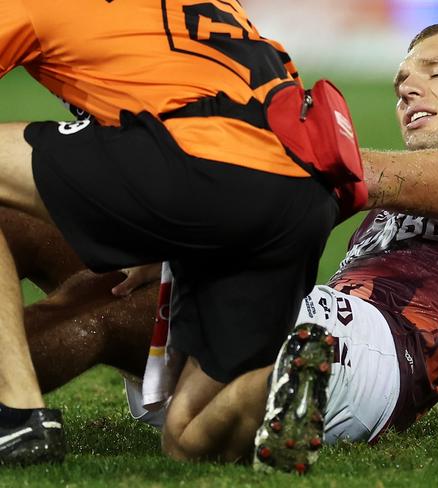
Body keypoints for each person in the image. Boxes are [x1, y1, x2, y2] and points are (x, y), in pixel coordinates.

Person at [12, 23, 438, 473]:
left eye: (435, 71)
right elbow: (278, 222)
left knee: (107, 308)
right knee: (31, 224)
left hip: (381, 357)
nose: (406, 88)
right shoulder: (377, 203)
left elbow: (357, 172)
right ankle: (269, 389)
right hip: (320, 318)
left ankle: (279, 380)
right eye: (402, 78)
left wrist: (206, 163)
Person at [0, 0, 354, 465]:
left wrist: (177, 199)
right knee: (187, 437)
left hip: (197, 164)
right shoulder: (220, 5)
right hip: (300, 195)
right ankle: (274, 381)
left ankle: (16, 415)